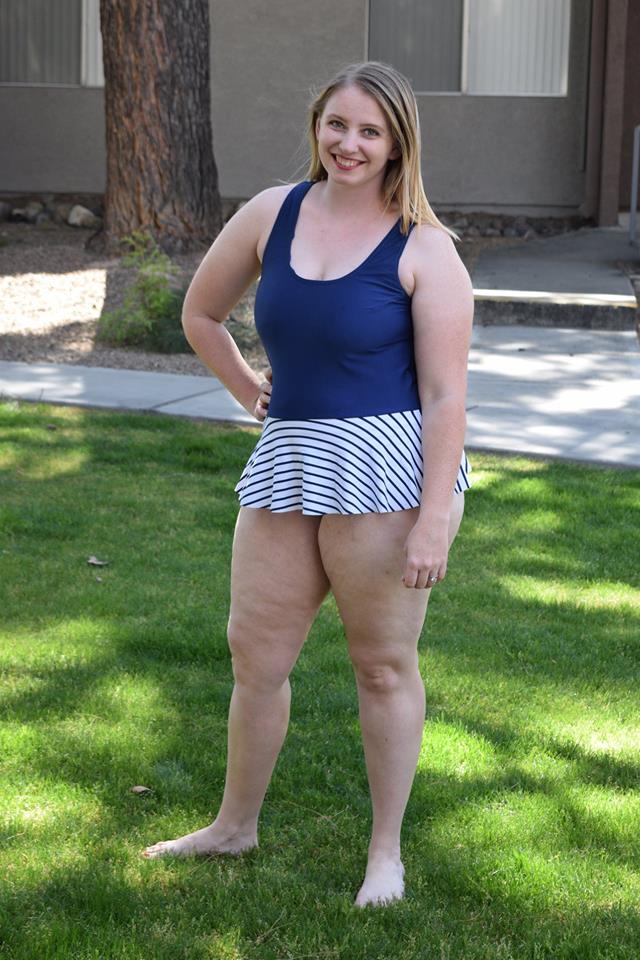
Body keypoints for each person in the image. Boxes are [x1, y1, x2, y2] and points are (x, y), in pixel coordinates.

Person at [142, 60, 474, 908]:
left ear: (398, 143)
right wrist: (250, 389)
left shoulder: (425, 249)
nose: (349, 143)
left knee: (381, 667)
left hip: (388, 470)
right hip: (289, 458)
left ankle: (385, 858)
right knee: (255, 658)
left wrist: (435, 517)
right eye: (338, 124)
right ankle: (233, 826)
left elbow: (444, 397)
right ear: (316, 125)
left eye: (370, 130)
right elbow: (201, 314)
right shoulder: (271, 212)